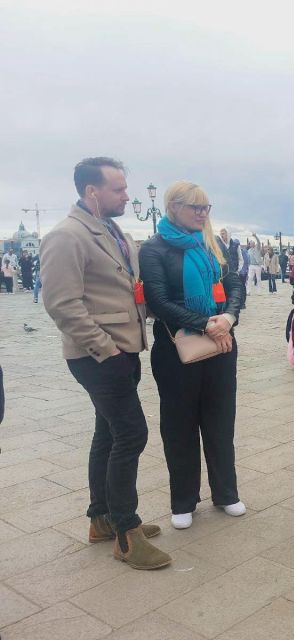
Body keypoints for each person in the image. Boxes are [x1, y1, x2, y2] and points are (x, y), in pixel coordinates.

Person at [40, 157, 170, 570]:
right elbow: (62, 304)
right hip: (99, 356)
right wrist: (106, 348)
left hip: (124, 348)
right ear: (91, 191)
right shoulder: (66, 236)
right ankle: (127, 536)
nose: (127, 196)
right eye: (117, 189)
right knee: (132, 434)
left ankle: (102, 518)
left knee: (109, 433)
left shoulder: (111, 230)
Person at [139, 180, 246, 530]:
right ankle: (183, 500)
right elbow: (158, 301)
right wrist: (206, 323)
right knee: (179, 426)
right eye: (194, 207)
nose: (202, 214)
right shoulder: (154, 249)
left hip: (220, 344)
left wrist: (227, 318)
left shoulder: (212, 243)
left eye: (206, 207)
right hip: (176, 349)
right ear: (173, 208)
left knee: (220, 421)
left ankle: (226, 493)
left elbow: (234, 285)